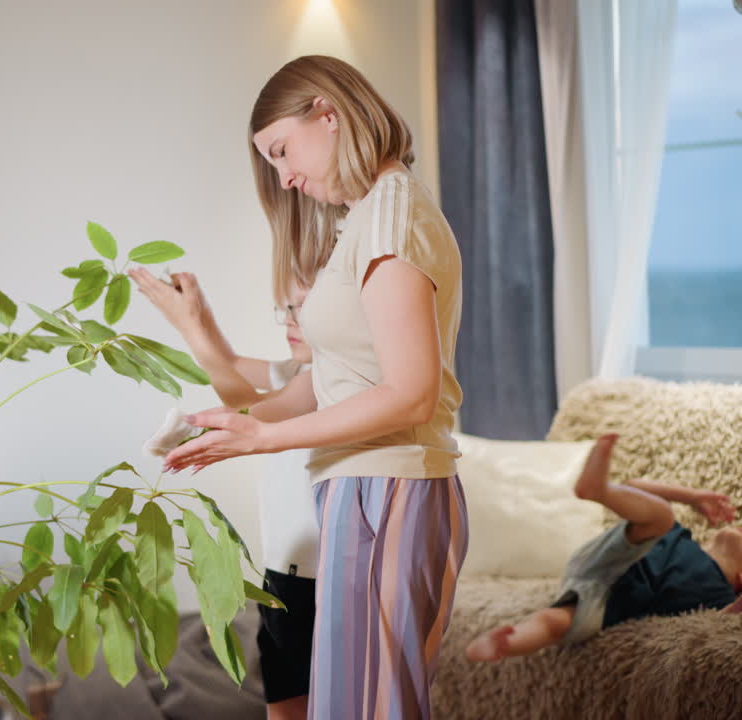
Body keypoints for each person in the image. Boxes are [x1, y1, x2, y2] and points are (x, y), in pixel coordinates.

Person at [154, 55, 468, 720]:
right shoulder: (367, 218)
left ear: (327, 113)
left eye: (281, 151)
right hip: (364, 489)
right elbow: (328, 384)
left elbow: (411, 394)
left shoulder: (390, 217)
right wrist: (230, 423)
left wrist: (266, 435)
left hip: (389, 488)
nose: (285, 177)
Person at [131, 272, 319, 720]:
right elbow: (230, 364)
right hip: (282, 573)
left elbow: (247, 408)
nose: (287, 321)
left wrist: (189, 325)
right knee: (284, 704)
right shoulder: (296, 371)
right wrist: (198, 315)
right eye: (285, 309)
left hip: (313, 574)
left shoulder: (327, 379)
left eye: (301, 309)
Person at [465, 434, 742, 662]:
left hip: (606, 601)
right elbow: (635, 488)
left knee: (555, 623)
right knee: (661, 515)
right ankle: (600, 491)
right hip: (615, 556)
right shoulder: (680, 538)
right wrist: (693, 497)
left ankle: (505, 642)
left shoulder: (718, 595)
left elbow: (717, 626)